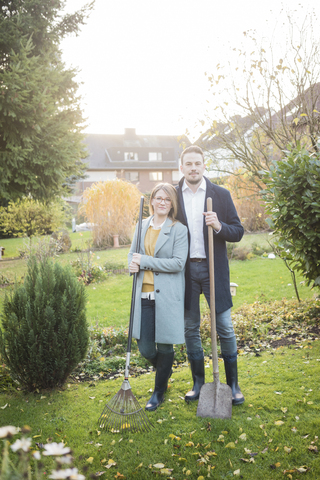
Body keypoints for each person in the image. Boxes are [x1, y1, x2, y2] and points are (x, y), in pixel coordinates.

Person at [176, 145, 245, 405]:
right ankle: (198, 383)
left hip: (213, 269)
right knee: (190, 328)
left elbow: (238, 231)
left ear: (204, 165)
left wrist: (218, 225)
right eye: (188, 163)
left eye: (198, 163)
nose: (193, 168)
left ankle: (233, 384)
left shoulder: (220, 194)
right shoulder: (173, 195)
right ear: (181, 167)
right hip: (185, 271)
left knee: (225, 327)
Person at [128, 183, 188, 411]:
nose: (163, 202)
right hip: (143, 294)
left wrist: (144, 261)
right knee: (145, 348)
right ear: (151, 200)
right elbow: (132, 253)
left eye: (168, 199)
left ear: (172, 204)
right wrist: (131, 265)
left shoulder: (178, 229)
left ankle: (158, 392)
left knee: (164, 346)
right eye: (159, 198)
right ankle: (165, 369)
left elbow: (178, 263)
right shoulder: (141, 226)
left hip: (167, 296)